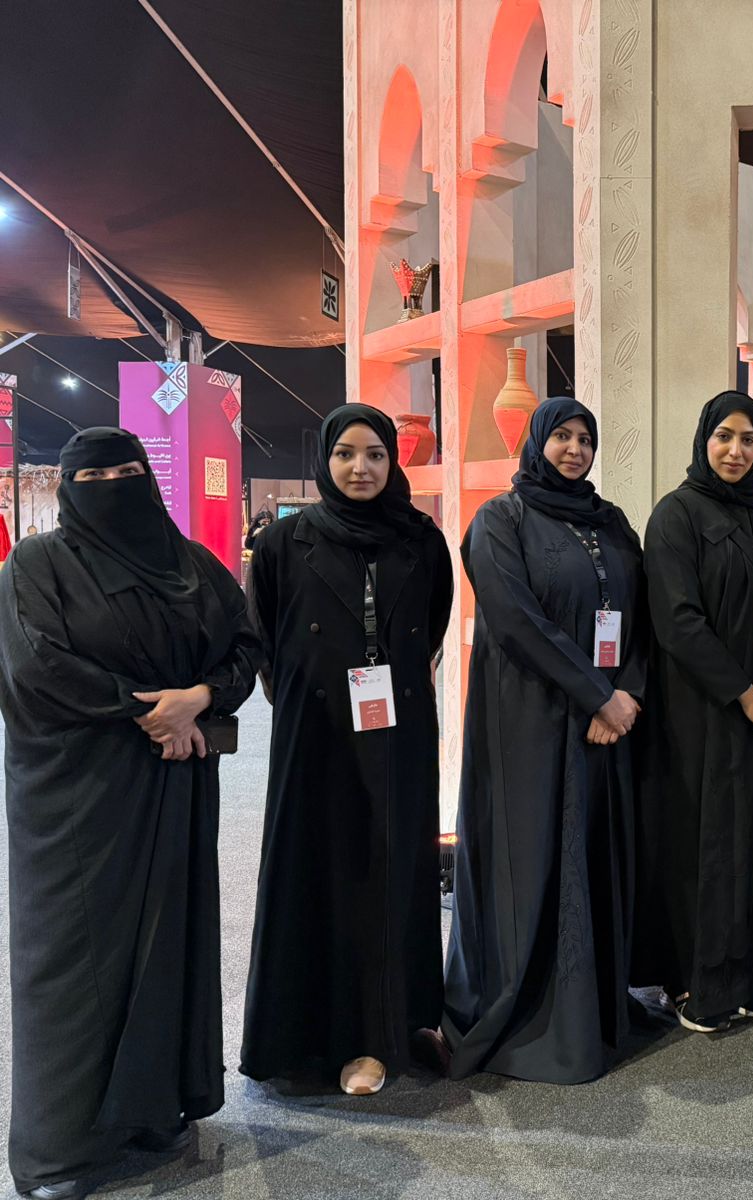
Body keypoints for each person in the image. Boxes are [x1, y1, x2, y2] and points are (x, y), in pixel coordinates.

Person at [0, 428, 259, 1199]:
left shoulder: (194, 566)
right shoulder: (36, 565)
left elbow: (244, 646)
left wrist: (200, 699)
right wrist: (148, 712)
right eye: (93, 475)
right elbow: (34, 665)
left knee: (167, 943)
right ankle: (62, 1149)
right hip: (78, 796)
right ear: (68, 486)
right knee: (75, 959)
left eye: (127, 469)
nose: (112, 484)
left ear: (148, 475)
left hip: (176, 787)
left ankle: (154, 1111)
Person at [241, 403, 454, 1096]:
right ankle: (321, 1037)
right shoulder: (285, 541)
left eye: (375, 455)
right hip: (317, 735)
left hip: (400, 729)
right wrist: (302, 695)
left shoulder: (420, 539)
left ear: (392, 462)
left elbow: (434, 622)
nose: (360, 468)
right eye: (345, 454)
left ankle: (393, 1026)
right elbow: (264, 636)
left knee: (394, 868)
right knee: (322, 869)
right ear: (324, 460)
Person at [444, 398, 647, 1084]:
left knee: (591, 853)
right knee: (532, 859)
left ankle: (593, 1010)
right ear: (537, 442)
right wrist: (598, 693)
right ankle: (532, 1017)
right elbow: (516, 620)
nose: (575, 449)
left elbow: (641, 617)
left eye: (586, 438)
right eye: (562, 436)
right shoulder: (499, 520)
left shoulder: (610, 522)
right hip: (528, 721)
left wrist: (627, 694)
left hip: (605, 724)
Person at [632, 391, 753, 1032]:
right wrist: (746, 693)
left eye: (748, 440)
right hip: (702, 712)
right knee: (705, 842)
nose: (736, 451)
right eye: (724, 437)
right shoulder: (676, 515)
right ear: (704, 439)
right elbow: (678, 621)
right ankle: (694, 981)